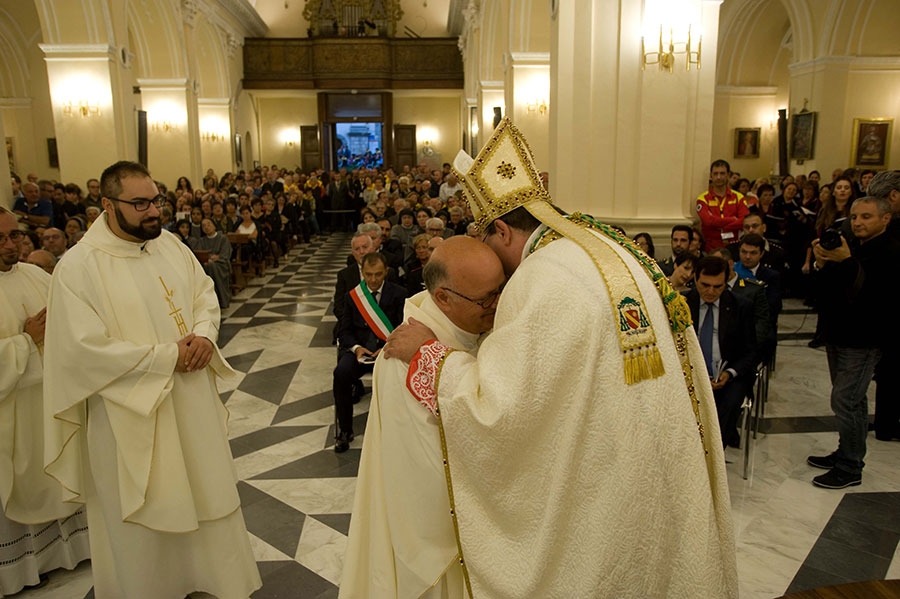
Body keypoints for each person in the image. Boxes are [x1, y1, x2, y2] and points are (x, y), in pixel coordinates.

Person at [382, 119, 736, 598]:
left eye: (485, 242)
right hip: (661, 460)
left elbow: (501, 411)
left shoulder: (540, 278)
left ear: (502, 229)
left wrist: (430, 356)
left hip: (607, 486)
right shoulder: (610, 246)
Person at [42, 161, 261, 598]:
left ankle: (211, 583)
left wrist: (204, 335)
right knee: (145, 515)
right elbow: (82, 350)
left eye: (156, 200)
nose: (153, 212)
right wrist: (165, 357)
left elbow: (204, 295)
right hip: (130, 417)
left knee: (205, 491)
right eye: (139, 203)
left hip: (191, 400)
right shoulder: (79, 268)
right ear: (107, 205)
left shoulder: (171, 245)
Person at [341, 237, 504, 599]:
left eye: (500, 290)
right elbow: (430, 466)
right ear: (443, 297)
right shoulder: (403, 358)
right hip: (441, 545)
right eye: (485, 299)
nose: (497, 305)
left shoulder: (472, 324)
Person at [0, 207, 91, 596]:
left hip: (51, 401)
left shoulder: (37, 275)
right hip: (12, 412)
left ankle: (71, 552)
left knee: (60, 476)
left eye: (13, 236)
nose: (10, 246)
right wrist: (25, 341)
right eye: (0, 239)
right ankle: (23, 568)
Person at [806, 196, 900, 487]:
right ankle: (847, 452)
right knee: (853, 400)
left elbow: (871, 295)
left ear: (885, 219)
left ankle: (850, 467)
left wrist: (845, 262)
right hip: (839, 333)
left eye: (866, 217)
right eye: (855, 217)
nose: (857, 222)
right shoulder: (850, 245)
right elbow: (828, 290)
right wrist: (823, 264)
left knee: (845, 400)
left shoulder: (891, 252)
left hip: (865, 338)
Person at [333, 252, 406, 452]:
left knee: (403, 375)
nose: (373, 280)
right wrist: (356, 348)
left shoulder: (399, 293)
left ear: (386, 272)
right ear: (362, 272)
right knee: (340, 374)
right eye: (368, 275)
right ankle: (345, 430)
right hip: (360, 350)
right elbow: (344, 330)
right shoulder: (353, 296)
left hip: (389, 350)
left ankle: (397, 430)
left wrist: (386, 347)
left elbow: (402, 327)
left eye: (378, 274)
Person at [685, 256, 758, 447]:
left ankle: (716, 452)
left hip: (727, 375)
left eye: (718, 287)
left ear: (726, 283)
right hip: (687, 374)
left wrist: (729, 374)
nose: (710, 292)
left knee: (730, 404)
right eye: (705, 285)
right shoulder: (681, 304)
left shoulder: (741, 306)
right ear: (695, 279)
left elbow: (750, 351)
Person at [866, 170, 900, 441]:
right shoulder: (888, 231)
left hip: (880, 311)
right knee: (890, 370)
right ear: (894, 196)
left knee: (888, 370)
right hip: (890, 310)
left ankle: (886, 420)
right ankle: (888, 423)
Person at [696, 159, 748, 251]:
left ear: (728, 175)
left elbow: (744, 220)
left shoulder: (738, 197)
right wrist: (732, 219)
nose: (718, 177)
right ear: (711, 176)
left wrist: (722, 227)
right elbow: (708, 221)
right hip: (710, 247)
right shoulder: (703, 199)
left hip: (734, 246)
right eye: (715, 174)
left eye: (722, 173)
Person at [194, 218, 233, 308]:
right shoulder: (201, 241)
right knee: (206, 267)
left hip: (221, 264)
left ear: (214, 225)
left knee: (211, 266)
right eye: (204, 226)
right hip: (206, 264)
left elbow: (225, 255)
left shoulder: (222, 238)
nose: (207, 227)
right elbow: (200, 254)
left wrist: (215, 258)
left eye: (209, 224)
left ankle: (221, 299)